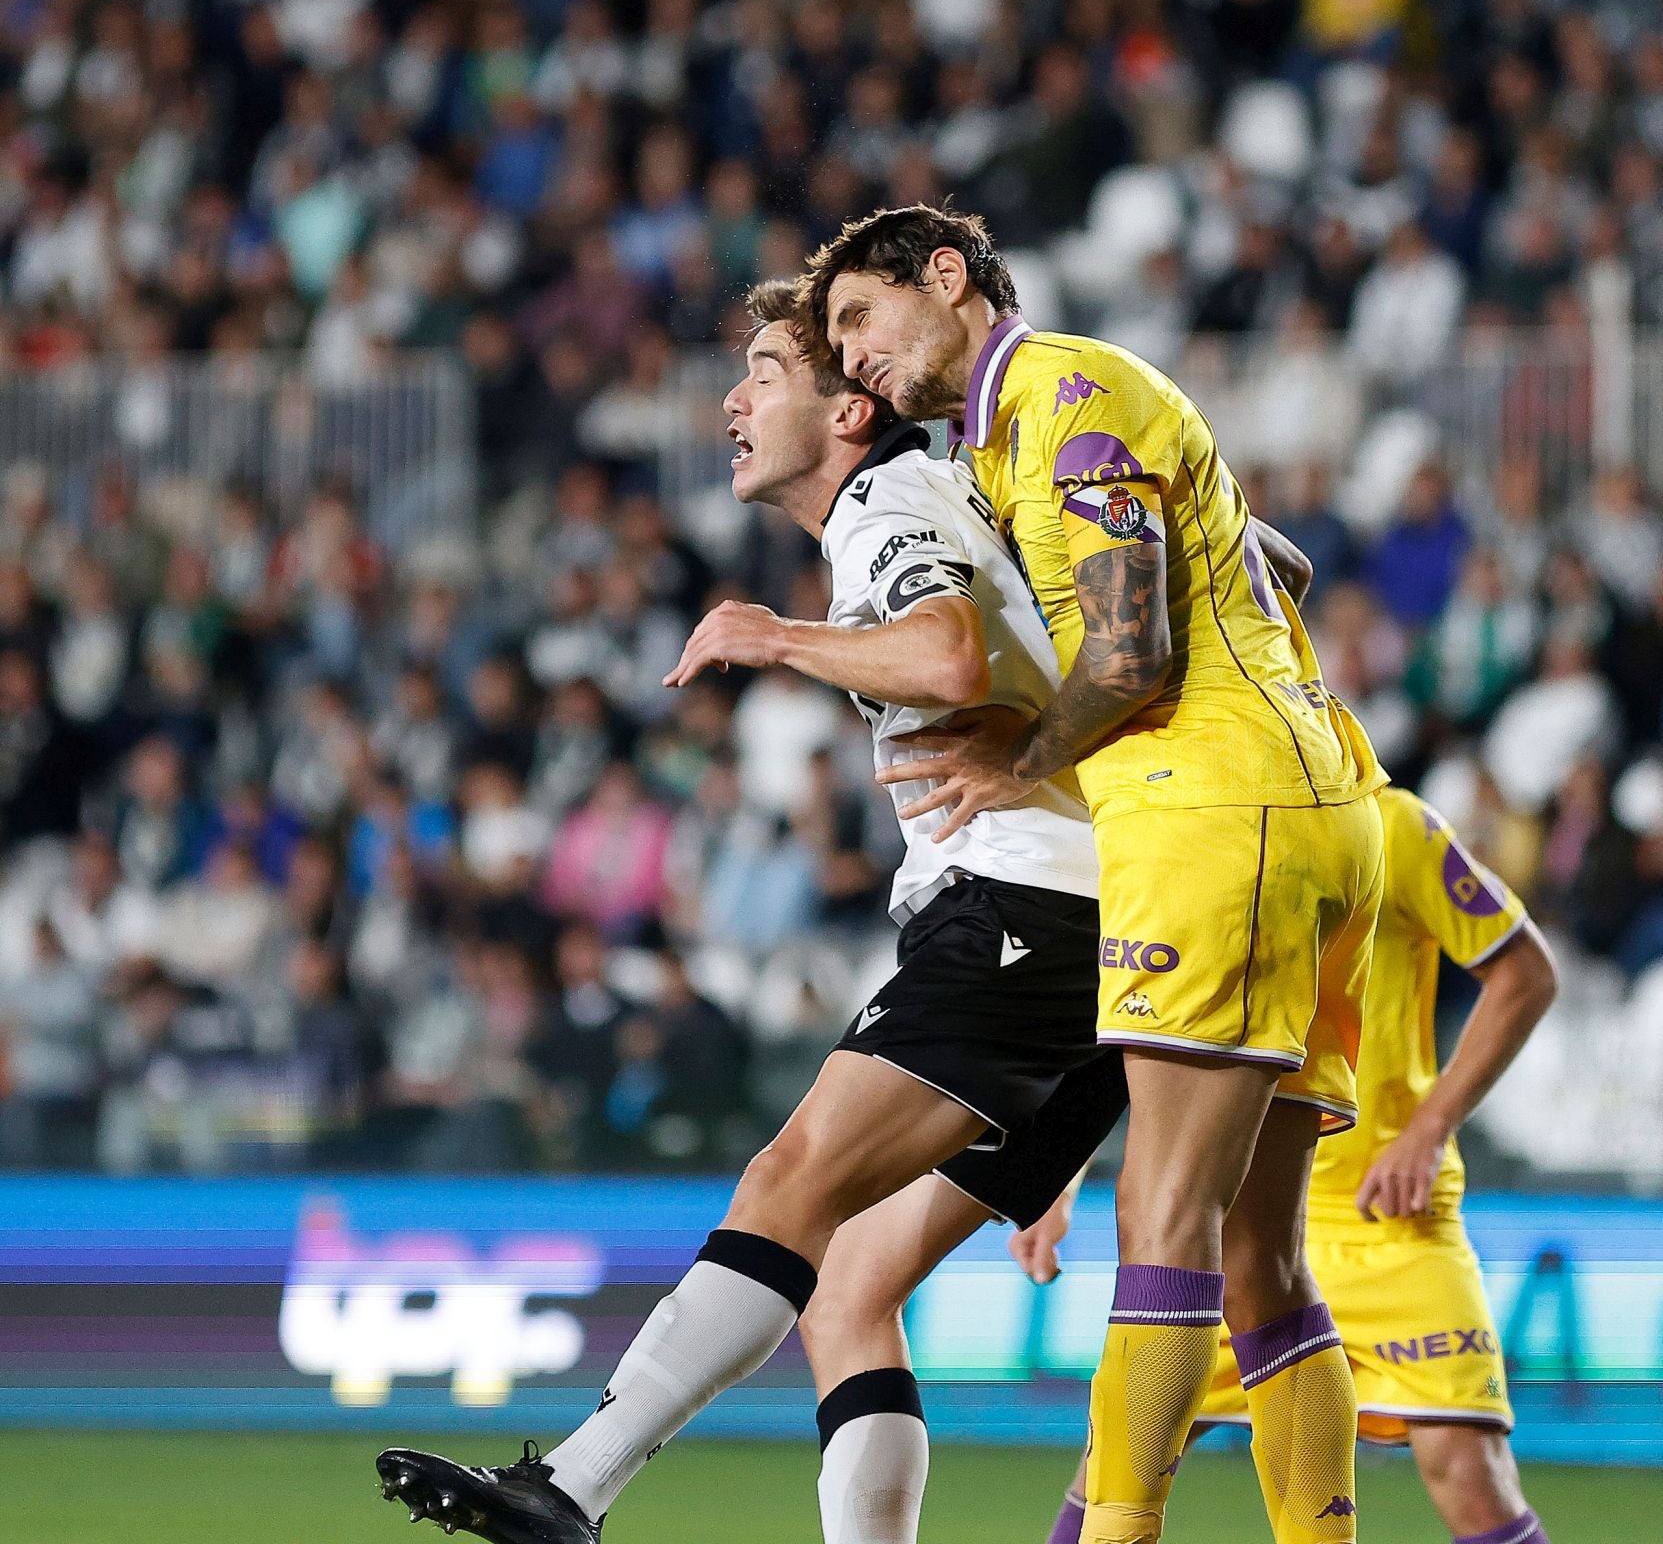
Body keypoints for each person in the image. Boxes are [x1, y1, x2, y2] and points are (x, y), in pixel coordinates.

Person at [375, 279, 1129, 1543]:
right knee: (845, 1290)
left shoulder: (888, 504)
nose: (733, 399)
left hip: (1025, 909)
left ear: (849, 409)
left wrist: (774, 636)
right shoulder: (932, 502)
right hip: (1090, 939)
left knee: (787, 1180)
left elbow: (948, 654)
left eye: (767, 374)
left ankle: (572, 1484)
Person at [808, 204, 1387, 1544]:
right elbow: (1265, 555)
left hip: (1210, 810)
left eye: (858, 319)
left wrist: (1020, 761)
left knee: (1162, 1219)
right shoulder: (1054, 421)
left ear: (943, 278)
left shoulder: (1063, 392)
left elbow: (1130, 658)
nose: (851, 359)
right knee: (1258, 1258)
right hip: (1309, 806)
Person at [1026, 786, 1560, 1544]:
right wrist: (1064, 1168)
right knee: (1117, 1461)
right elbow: (1142, 1018)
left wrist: (1427, 1128)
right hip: (1230, 1223)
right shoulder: (1196, 821)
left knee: (1468, 1471)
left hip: (1388, 1221)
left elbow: (1524, 972)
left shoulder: (1390, 823)